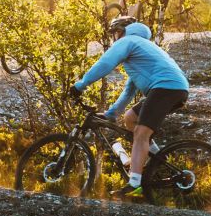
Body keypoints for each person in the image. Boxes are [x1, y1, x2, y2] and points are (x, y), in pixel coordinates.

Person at [67, 16, 189, 197]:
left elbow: (105, 63)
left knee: (141, 133)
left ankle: (134, 184)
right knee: (130, 118)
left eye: (115, 32)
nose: (114, 37)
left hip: (166, 87)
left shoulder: (128, 41)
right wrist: (111, 114)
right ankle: (157, 156)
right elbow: (129, 90)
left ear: (123, 31)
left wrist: (80, 85)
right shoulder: (142, 48)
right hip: (172, 88)